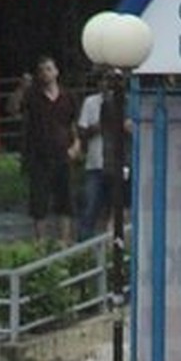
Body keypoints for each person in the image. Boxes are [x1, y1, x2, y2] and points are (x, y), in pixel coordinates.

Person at [8, 55, 80, 243]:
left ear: (56, 72)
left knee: (65, 200)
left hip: (62, 153)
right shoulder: (32, 96)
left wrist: (76, 145)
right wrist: (22, 88)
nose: (45, 74)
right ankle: (40, 242)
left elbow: (72, 123)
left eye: (49, 69)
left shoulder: (68, 96)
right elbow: (13, 109)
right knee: (39, 201)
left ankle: (65, 242)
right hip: (39, 155)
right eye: (42, 70)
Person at [76, 76, 110, 240]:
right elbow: (81, 131)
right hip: (94, 163)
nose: (105, 84)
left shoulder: (124, 101)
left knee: (114, 208)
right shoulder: (90, 102)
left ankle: (110, 245)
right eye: (102, 80)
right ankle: (84, 243)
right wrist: (97, 127)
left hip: (115, 162)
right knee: (90, 206)